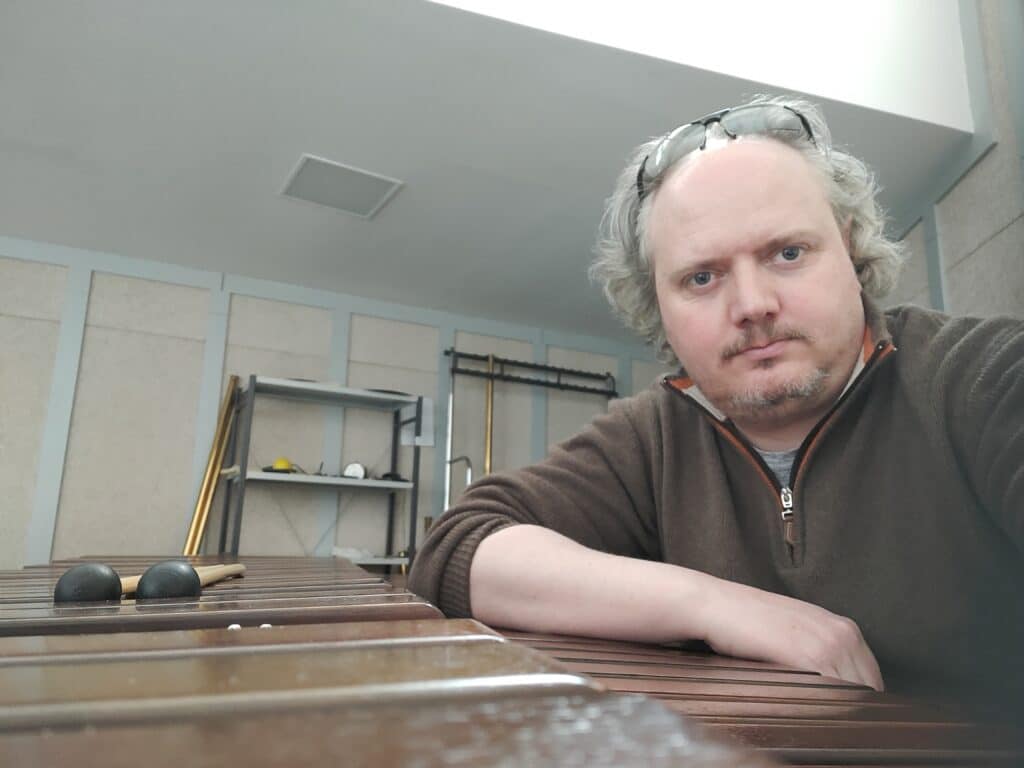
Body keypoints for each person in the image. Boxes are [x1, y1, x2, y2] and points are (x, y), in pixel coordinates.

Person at [408, 94, 1024, 720]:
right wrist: (709, 604)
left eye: (788, 253)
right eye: (702, 277)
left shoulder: (986, 377)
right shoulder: (651, 437)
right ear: (658, 305)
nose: (752, 305)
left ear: (848, 249)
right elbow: (458, 549)